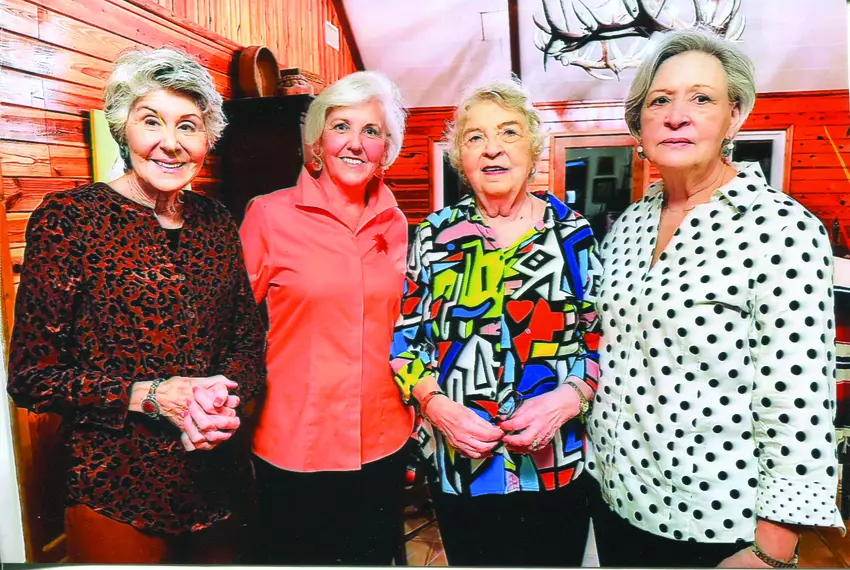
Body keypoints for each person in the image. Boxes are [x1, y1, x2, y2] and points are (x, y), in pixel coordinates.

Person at [586, 28, 845, 568]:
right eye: (660, 100)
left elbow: (798, 401)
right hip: (617, 499)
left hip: (714, 522)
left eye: (701, 98)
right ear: (639, 122)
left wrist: (773, 550)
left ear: (734, 116)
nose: (677, 116)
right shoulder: (628, 225)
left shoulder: (781, 228)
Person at [6, 47, 266, 564]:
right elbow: (32, 376)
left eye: (188, 126)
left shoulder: (216, 221)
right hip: (116, 486)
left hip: (218, 479)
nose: (171, 143)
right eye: (151, 121)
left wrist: (221, 396)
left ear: (207, 139)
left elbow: (248, 339)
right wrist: (149, 396)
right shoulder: (70, 220)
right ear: (123, 128)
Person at [391, 78, 600, 567]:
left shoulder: (572, 234)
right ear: (460, 157)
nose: (492, 149)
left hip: (554, 467)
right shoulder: (435, 236)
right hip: (462, 468)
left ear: (534, 147)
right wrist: (437, 407)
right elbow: (406, 343)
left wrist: (568, 400)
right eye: (475, 137)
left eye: (509, 132)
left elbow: (599, 341)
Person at [239, 70, 414, 565]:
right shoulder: (268, 216)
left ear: (386, 149)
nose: (355, 143)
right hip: (297, 441)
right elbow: (232, 325)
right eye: (341, 127)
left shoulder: (398, 224)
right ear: (317, 142)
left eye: (371, 131)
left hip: (382, 440)